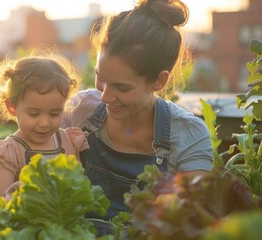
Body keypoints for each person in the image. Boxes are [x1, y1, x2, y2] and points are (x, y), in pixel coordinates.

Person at [61, 0, 213, 221]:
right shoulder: (79, 111)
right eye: (101, 78)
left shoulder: (188, 136)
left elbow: (189, 220)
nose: (104, 96)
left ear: (159, 81)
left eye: (122, 87)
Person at [0, 51, 90, 202]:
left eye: (54, 113)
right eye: (34, 114)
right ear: (12, 107)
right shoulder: (9, 153)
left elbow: (80, 186)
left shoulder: (69, 142)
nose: (44, 123)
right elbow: (1, 203)